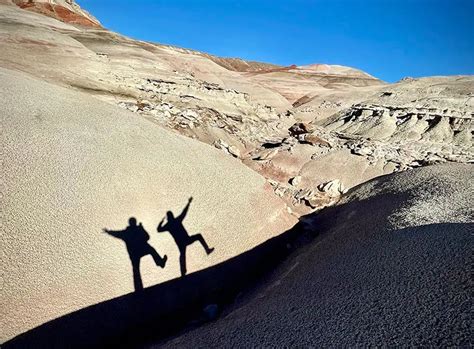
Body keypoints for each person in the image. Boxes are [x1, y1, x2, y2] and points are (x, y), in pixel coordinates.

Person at [104, 217, 167, 291]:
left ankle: (160, 262)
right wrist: (109, 232)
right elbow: (117, 233)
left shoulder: (132, 231)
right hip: (135, 252)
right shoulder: (128, 232)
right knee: (136, 269)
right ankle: (138, 287)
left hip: (138, 251)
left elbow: (147, 237)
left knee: (149, 252)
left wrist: (142, 229)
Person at [157, 197, 214, 276]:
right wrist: (188, 203)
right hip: (185, 239)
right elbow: (184, 212)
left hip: (181, 242)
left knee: (182, 254)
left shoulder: (168, 225)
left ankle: (183, 272)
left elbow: (158, 229)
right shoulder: (176, 221)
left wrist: (162, 221)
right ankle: (206, 250)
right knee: (197, 237)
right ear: (172, 216)